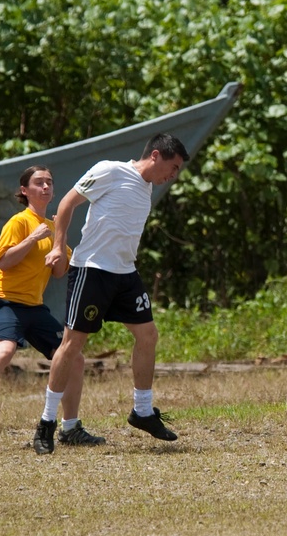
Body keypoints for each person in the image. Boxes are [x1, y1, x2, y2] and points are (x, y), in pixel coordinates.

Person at [33, 133, 189, 454]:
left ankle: (142, 411)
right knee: (72, 344)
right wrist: (59, 247)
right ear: (156, 155)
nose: (173, 176)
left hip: (125, 274)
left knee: (148, 336)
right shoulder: (110, 170)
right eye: (173, 168)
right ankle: (47, 423)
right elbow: (66, 204)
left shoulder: (145, 187)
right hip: (92, 271)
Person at [0, 167, 103, 449]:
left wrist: (59, 244)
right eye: (38, 183)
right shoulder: (19, 222)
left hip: (34, 307)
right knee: (4, 350)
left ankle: (70, 428)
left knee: (74, 358)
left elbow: (59, 272)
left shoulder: (55, 229)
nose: (45, 187)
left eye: (49, 183)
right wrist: (33, 238)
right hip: (4, 300)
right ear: (25, 191)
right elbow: (3, 262)